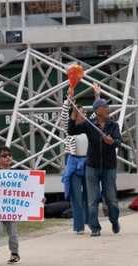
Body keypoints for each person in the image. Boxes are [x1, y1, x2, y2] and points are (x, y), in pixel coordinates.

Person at [68, 83, 122, 236]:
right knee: (92, 200)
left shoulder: (113, 125)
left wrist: (112, 142)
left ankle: (114, 220)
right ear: (98, 111)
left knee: (111, 199)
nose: (108, 109)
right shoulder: (90, 125)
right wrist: (73, 114)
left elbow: (119, 141)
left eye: (108, 106)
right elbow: (71, 131)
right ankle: (95, 228)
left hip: (109, 167)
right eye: (105, 107)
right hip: (91, 167)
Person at [58, 89, 89, 233]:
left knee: (90, 193)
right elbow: (64, 114)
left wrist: (96, 95)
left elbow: (96, 113)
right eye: (80, 112)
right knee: (76, 195)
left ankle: (90, 220)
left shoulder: (88, 127)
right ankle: (79, 226)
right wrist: (69, 99)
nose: (83, 115)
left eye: (84, 112)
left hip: (87, 162)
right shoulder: (69, 127)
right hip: (74, 162)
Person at [0, 146, 20, 265]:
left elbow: (28, 190)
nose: (8, 157)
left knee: (12, 232)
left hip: (12, 208)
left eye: (10, 155)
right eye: (4, 155)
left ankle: (15, 253)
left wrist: (38, 200)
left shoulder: (18, 173)